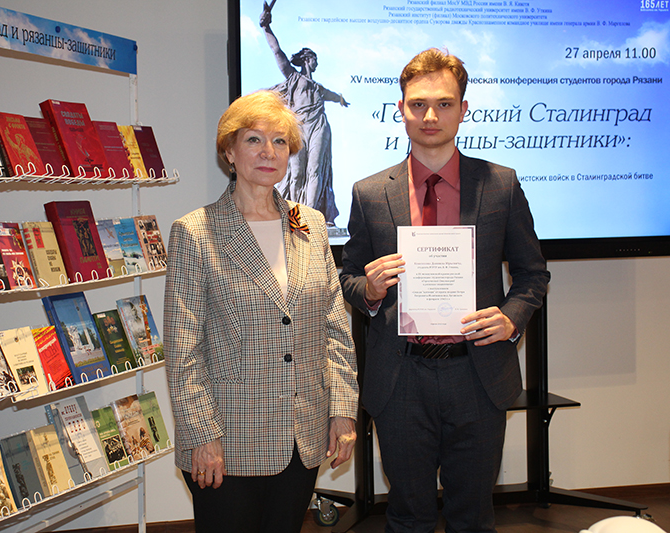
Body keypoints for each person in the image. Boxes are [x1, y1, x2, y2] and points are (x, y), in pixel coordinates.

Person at [339, 48, 551, 533]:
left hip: (476, 374)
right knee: (407, 518)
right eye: (418, 104)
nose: (430, 116)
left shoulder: (500, 185)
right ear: (401, 109)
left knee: (472, 518)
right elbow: (347, 277)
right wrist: (369, 289)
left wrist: (511, 318)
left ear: (463, 109)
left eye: (444, 104)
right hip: (401, 378)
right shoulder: (370, 193)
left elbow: (533, 274)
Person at [164, 90, 359, 533]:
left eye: (280, 141)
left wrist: (343, 409)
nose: (268, 151)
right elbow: (183, 350)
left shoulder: (311, 225)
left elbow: (335, 331)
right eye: (254, 139)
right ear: (229, 152)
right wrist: (202, 435)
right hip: (226, 443)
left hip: (301, 438)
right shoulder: (195, 232)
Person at [260, 1, 348, 225]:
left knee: (315, 170)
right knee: (297, 172)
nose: (317, 63)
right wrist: (267, 28)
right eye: (315, 59)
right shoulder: (293, 78)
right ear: (308, 59)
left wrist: (340, 99)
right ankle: (294, 217)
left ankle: (311, 219)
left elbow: (333, 95)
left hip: (318, 127)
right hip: (298, 127)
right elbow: (277, 51)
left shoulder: (318, 87)